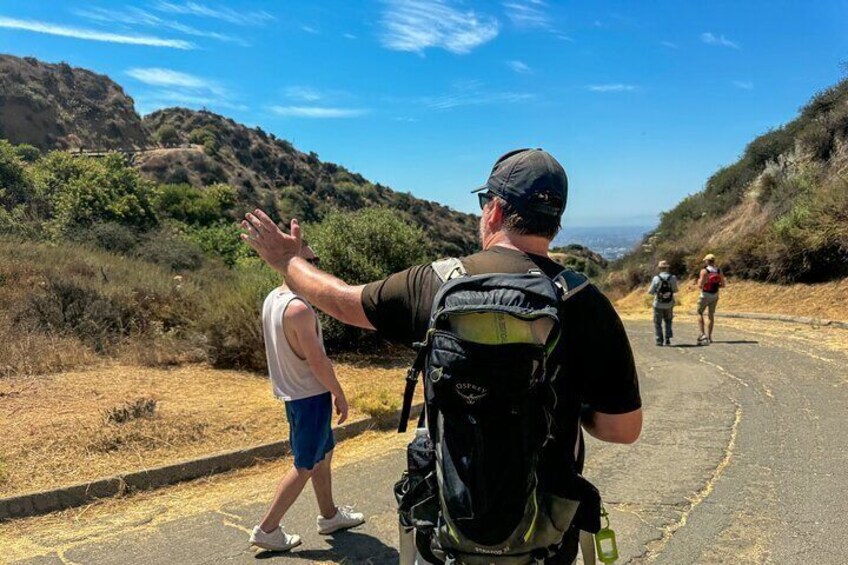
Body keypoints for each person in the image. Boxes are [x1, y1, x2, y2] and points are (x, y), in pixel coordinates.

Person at [241, 148, 642, 563]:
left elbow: (342, 301)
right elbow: (622, 429)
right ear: (554, 223)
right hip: (544, 533)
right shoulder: (585, 301)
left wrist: (287, 260)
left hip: (450, 528)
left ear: (495, 210)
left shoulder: (436, 284)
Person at [249, 242, 365, 552]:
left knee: (322, 454)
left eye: (316, 259)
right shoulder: (299, 309)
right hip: (310, 396)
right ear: (294, 264)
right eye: (310, 260)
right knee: (305, 463)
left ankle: (329, 516)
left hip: (294, 396)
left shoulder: (274, 299)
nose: (316, 266)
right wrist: (338, 392)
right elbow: (317, 361)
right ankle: (267, 529)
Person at [647, 260, 679, 346]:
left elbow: (650, 291)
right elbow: (675, 290)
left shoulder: (656, 278)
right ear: (667, 268)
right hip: (669, 303)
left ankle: (659, 339)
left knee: (658, 322)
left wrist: (657, 293)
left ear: (659, 268)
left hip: (658, 303)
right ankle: (667, 337)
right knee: (668, 320)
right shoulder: (672, 278)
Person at [696, 253, 724, 345]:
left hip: (705, 294)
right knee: (711, 315)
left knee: (700, 312)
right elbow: (723, 285)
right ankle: (709, 337)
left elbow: (700, 285)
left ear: (707, 261)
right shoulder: (719, 271)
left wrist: (700, 282)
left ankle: (702, 334)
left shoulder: (704, 271)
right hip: (715, 295)